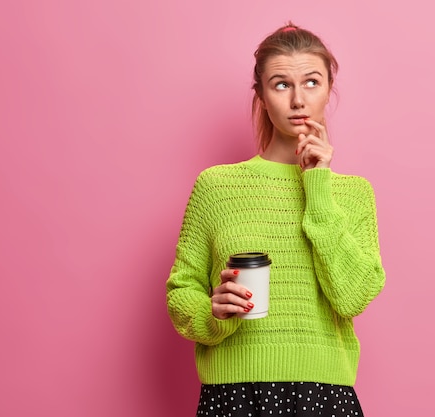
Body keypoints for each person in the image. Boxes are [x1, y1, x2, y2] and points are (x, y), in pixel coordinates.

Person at [166, 22, 386, 417]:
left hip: (325, 396)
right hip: (232, 395)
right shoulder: (217, 187)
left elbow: (352, 296)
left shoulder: (353, 193)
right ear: (262, 97)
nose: (298, 100)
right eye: (281, 84)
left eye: (312, 82)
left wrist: (317, 185)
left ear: (328, 90)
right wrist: (211, 313)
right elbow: (181, 291)